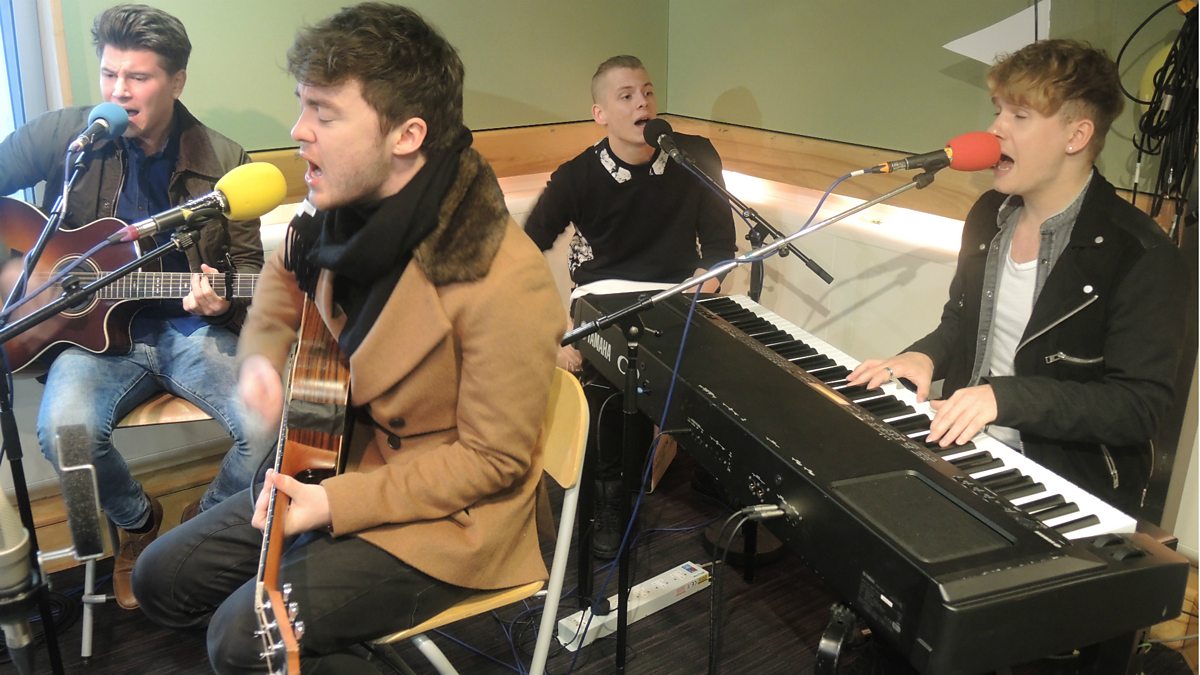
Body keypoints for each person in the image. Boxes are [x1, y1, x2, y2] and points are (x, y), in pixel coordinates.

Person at [132, 4, 564, 671]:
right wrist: (262, 360)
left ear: (407, 135)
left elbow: (491, 461)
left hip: (447, 519)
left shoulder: (504, 276)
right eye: (301, 104)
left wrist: (334, 504)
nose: (298, 131)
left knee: (241, 639)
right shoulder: (334, 212)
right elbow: (280, 284)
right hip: (332, 456)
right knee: (160, 578)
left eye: (325, 114)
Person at [847, 39, 1187, 519]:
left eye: (1020, 116)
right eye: (998, 111)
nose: (995, 129)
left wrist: (1005, 399)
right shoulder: (989, 214)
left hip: (1062, 486)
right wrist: (924, 356)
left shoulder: (1143, 255)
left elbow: (1137, 407)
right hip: (963, 447)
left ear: (1076, 136)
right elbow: (961, 321)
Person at [0, 4, 264, 609]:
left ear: (177, 81)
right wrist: (17, 271)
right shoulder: (67, 136)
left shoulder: (226, 161)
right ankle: (141, 525)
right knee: (66, 435)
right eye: (109, 74)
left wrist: (219, 305)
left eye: (137, 77)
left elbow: (249, 273)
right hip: (90, 337)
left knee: (268, 429)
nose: (118, 92)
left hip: (189, 329)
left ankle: (198, 529)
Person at [523, 55, 737, 558]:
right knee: (616, 381)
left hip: (676, 297)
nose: (642, 102)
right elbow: (522, 252)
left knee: (735, 366)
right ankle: (610, 497)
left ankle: (714, 472)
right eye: (626, 96)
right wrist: (551, 330)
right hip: (604, 301)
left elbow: (720, 245)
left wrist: (710, 276)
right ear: (600, 113)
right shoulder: (577, 176)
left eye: (647, 91)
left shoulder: (695, 157)